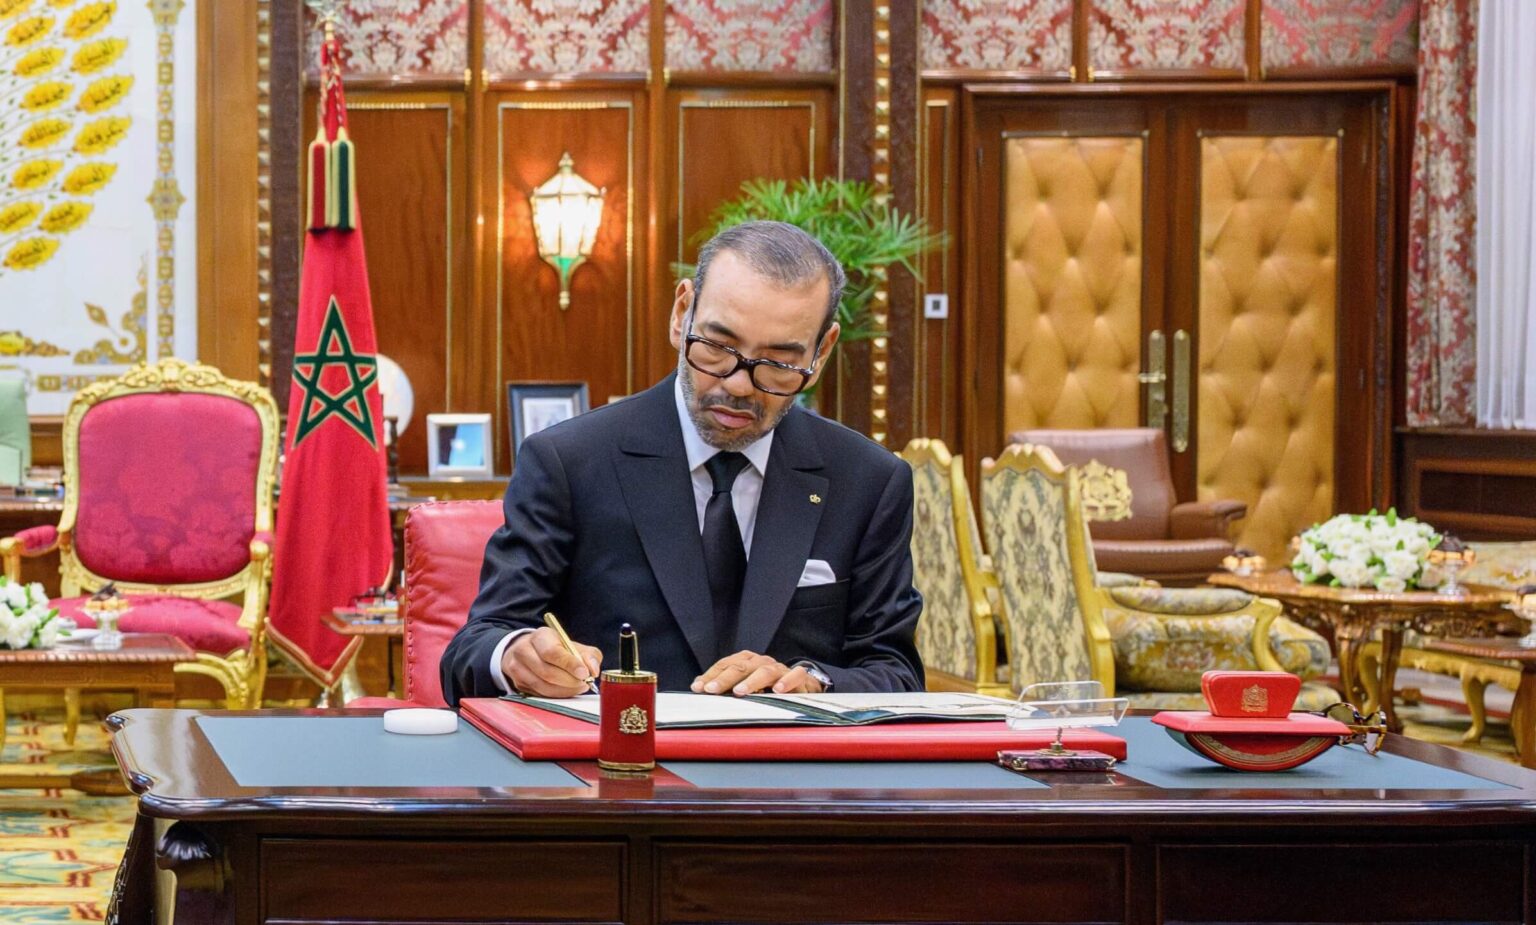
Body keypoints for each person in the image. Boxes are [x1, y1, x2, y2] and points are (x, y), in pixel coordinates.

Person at [440, 221, 924, 704]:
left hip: (785, 752)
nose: (737, 385)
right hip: (618, 748)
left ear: (821, 352)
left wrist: (815, 682)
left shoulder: (868, 481)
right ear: (681, 314)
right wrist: (515, 655)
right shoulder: (569, 462)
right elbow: (472, 650)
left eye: (777, 363)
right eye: (717, 348)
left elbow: (896, 673)